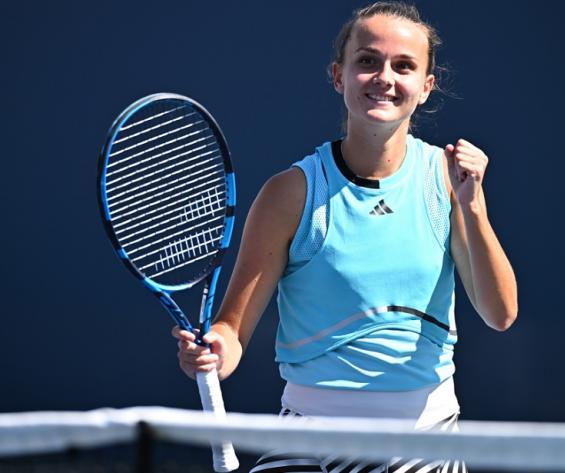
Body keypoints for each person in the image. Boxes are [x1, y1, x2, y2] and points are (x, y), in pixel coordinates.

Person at [173, 2, 517, 472]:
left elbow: (500, 315)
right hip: (309, 437)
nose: (384, 77)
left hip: (425, 440)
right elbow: (231, 332)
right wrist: (213, 353)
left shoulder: (449, 179)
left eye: (404, 66)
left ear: (426, 87)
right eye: (368, 61)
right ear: (338, 75)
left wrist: (473, 205)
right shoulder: (290, 194)